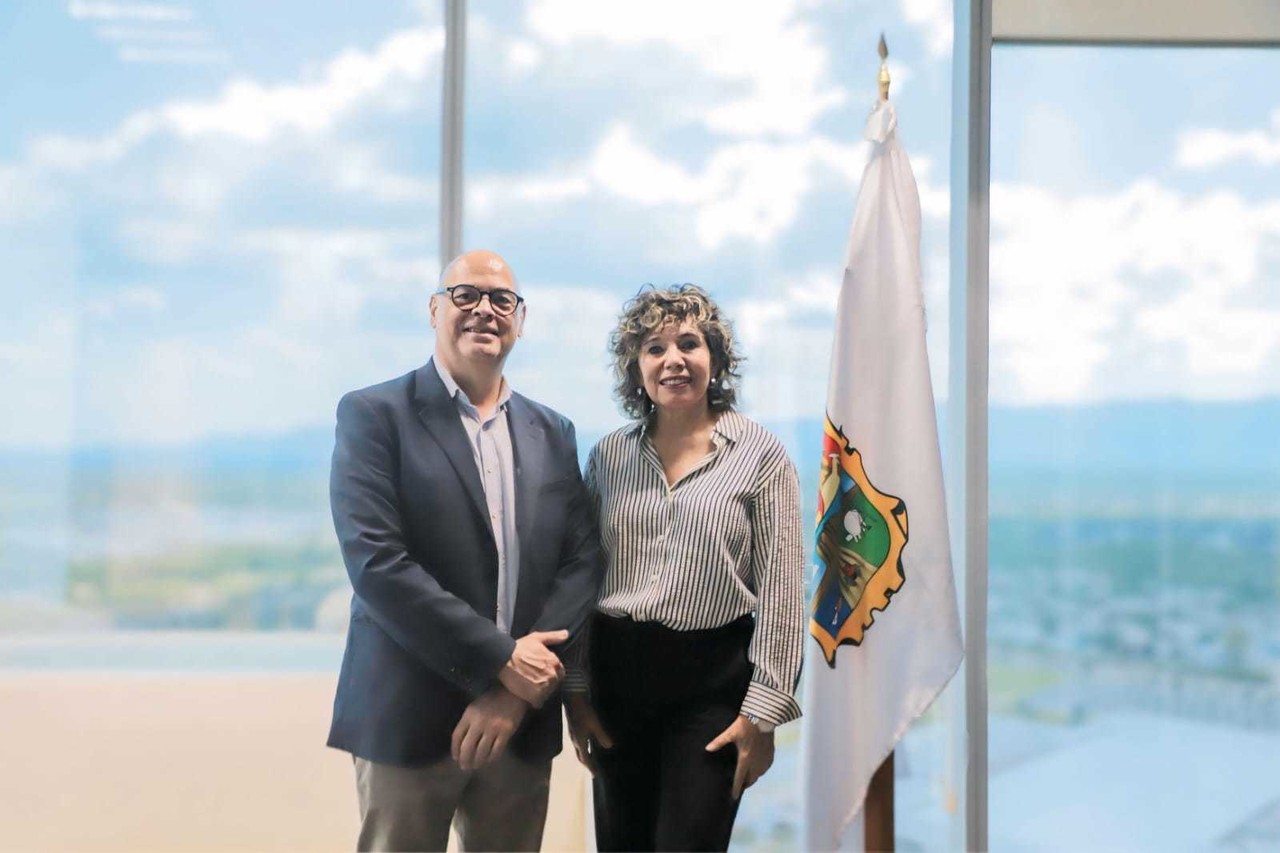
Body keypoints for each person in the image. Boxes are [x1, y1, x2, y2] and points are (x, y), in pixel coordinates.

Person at [326, 249, 602, 852]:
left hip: (520, 721)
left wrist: (514, 691)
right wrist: (501, 660)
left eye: (502, 299)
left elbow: (580, 563)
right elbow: (377, 564)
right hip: (409, 717)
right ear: (434, 309)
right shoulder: (374, 415)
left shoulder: (552, 431)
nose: (484, 309)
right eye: (465, 294)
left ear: (521, 320)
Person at [565, 284, 805, 851]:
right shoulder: (608, 457)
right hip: (616, 680)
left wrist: (764, 714)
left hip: (712, 687)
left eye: (689, 343)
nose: (673, 359)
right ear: (636, 368)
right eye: (654, 348)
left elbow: (784, 590)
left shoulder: (761, 456)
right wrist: (575, 690)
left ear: (715, 359)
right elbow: (579, 576)